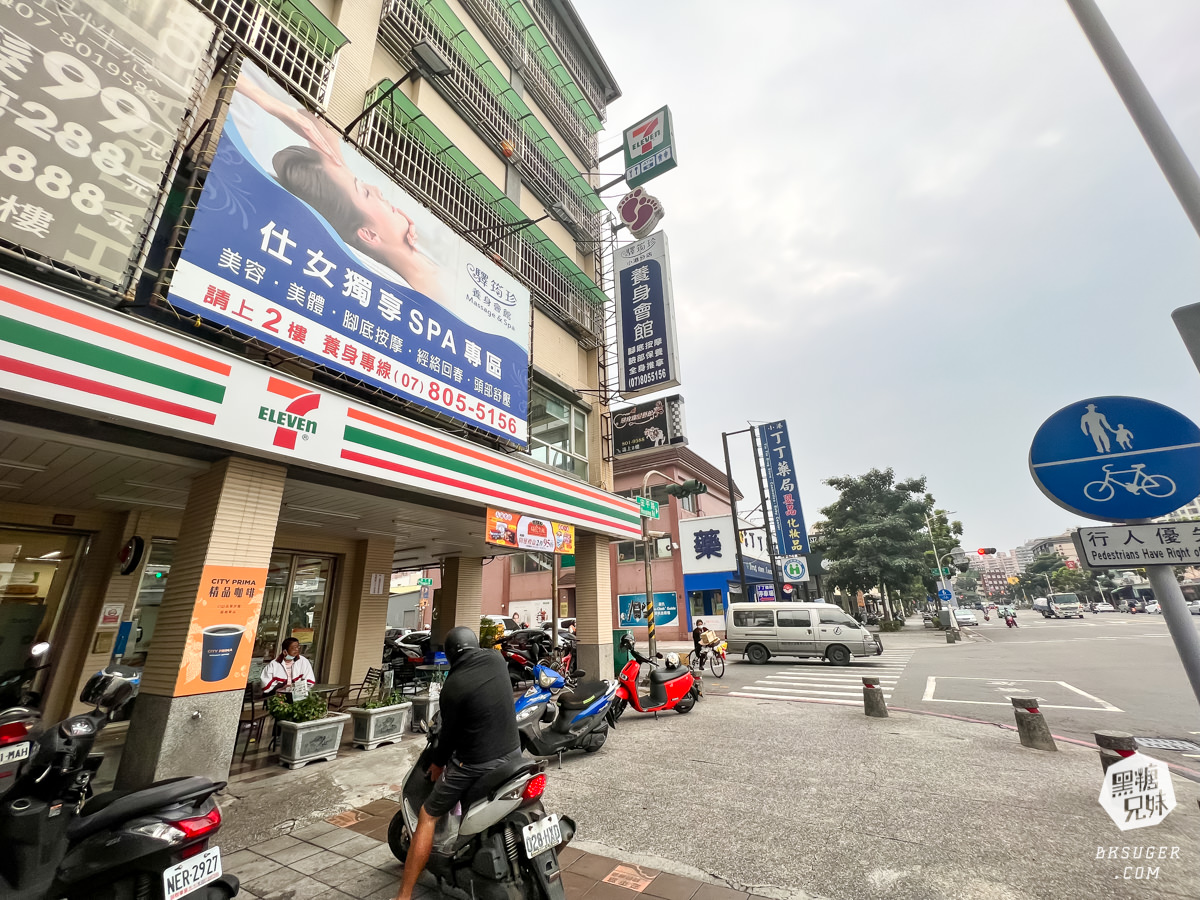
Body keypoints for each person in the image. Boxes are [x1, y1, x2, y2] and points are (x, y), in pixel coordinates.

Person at [395, 627, 521, 900]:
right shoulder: (496, 660)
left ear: (450, 655)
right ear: (475, 645)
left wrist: (438, 765)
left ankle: (404, 895)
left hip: (476, 765)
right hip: (513, 756)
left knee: (428, 814)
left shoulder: (452, 686)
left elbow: (448, 737)